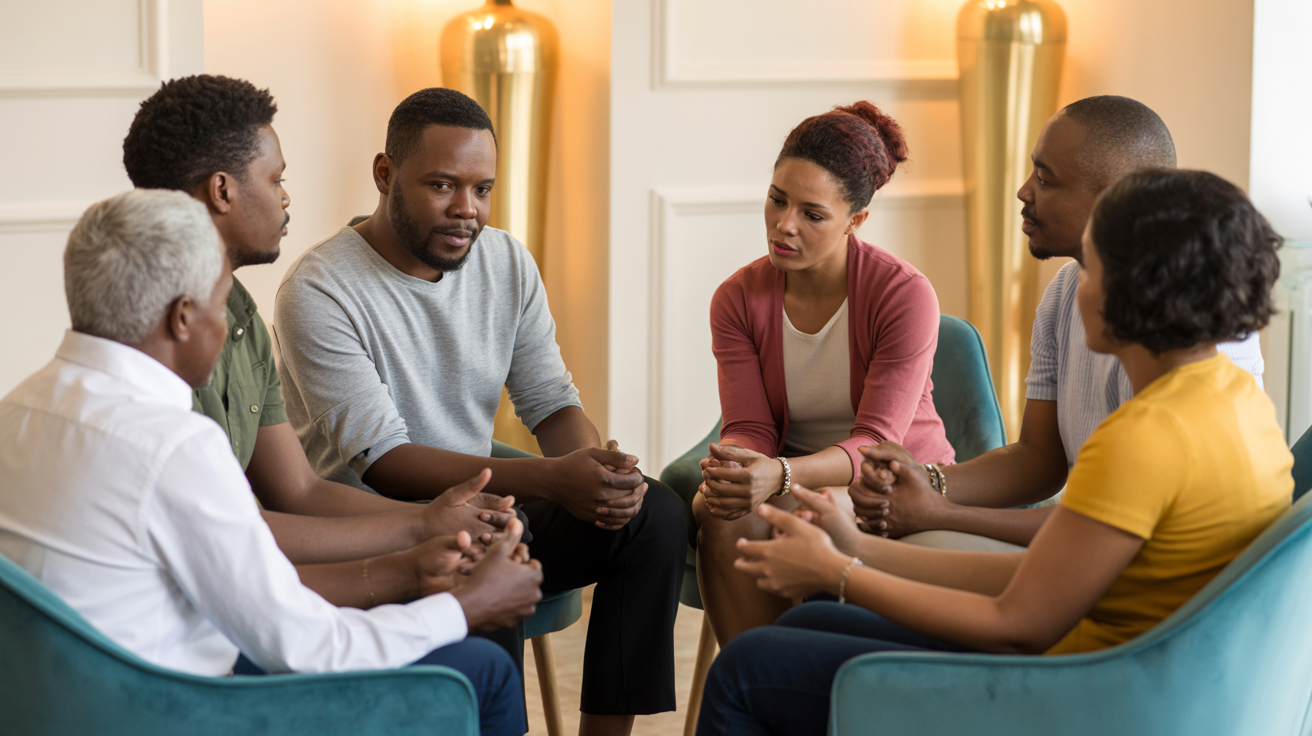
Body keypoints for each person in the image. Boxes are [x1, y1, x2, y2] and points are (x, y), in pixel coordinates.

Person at [697, 167, 1291, 736]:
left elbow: (1017, 627)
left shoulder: (1143, 437)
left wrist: (839, 570)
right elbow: (1048, 570)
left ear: (1132, 290)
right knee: (809, 621)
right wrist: (854, 550)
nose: (1078, 282)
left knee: (746, 672)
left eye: (1092, 269)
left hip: (1085, 689)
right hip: (1139, 665)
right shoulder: (1236, 400)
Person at [0, 190, 544, 736]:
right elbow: (306, 646)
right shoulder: (173, 445)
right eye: (221, 302)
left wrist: (411, 569)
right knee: (485, 672)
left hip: (62, 703)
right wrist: (466, 606)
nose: (228, 324)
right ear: (183, 318)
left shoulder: (17, 410)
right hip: (180, 708)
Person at [274, 87, 687, 736]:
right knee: (492, 530)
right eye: (442, 185)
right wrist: (554, 480)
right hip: (383, 517)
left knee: (654, 514)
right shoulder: (321, 288)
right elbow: (384, 461)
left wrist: (598, 471)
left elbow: (551, 404)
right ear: (385, 175)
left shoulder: (505, 261)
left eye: (482, 189)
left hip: (489, 498)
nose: (467, 209)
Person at [121, 75, 514, 609]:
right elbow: (233, 538)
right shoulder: (155, 340)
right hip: (199, 618)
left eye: (482, 189)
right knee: (472, 631)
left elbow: (298, 491)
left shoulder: (242, 321)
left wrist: (434, 521)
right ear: (222, 190)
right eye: (275, 179)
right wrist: (412, 550)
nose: (286, 197)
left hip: (249, 575)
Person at [853, 96, 1265, 549]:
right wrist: (927, 481)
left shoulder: (1186, 346)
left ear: (1118, 198)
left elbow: (1093, 543)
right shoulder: (1067, 288)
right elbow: (1040, 459)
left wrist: (934, 515)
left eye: (1045, 180)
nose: (1024, 191)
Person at [693, 101, 954, 644]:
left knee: (795, 515)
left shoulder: (903, 294)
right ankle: (754, 689)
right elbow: (752, 427)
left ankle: (800, 687)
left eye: (812, 215)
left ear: (855, 221)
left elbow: (877, 442)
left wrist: (780, 477)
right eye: (776, 200)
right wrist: (738, 465)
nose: (784, 226)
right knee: (719, 513)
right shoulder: (736, 299)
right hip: (792, 474)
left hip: (890, 485)